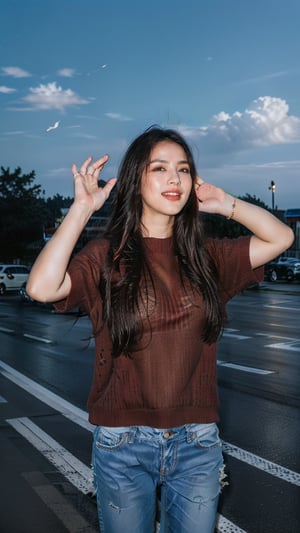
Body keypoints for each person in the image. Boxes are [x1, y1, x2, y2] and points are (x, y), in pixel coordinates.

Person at [26, 126, 294, 533]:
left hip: (197, 443)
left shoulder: (207, 256)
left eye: (184, 169)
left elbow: (282, 236)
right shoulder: (106, 255)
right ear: (136, 180)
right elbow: (41, 287)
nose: (176, 179)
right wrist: (82, 210)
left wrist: (226, 204)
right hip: (122, 444)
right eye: (161, 168)